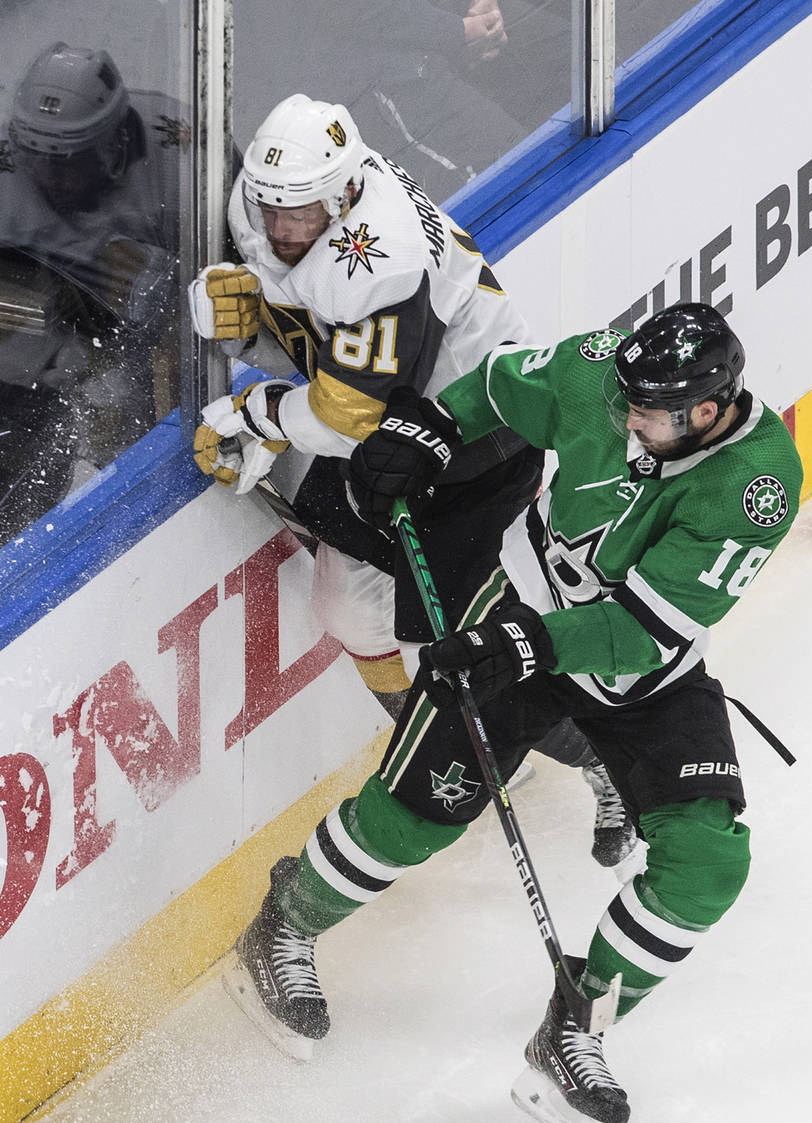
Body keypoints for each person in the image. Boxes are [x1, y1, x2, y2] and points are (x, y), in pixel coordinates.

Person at [219, 301, 804, 1123]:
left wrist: (527, 645)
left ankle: (576, 1024)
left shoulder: (756, 483)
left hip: (636, 669)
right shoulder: (605, 372)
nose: (627, 420)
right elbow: (496, 387)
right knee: (413, 814)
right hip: (520, 613)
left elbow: (643, 630)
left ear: (707, 411)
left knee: (709, 861)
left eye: (649, 414)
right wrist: (425, 436)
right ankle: (284, 924)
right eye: (626, 403)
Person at [190, 93, 637, 867]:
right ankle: (437, 739)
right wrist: (251, 318)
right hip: (397, 437)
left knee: (471, 651)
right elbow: (321, 337)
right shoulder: (290, 205)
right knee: (348, 610)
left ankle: (607, 760)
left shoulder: (380, 259)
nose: (282, 230)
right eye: (271, 211)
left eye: (301, 215)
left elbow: (345, 413)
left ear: (345, 195)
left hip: (476, 446)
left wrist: (258, 414)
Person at [0, 42, 187, 540]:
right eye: (35, 156)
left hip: (141, 325)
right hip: (39, 319)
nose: (48, 174)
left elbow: (231, 285)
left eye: (67, 160)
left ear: (113, 140)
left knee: (137, 437)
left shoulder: (185, 162)